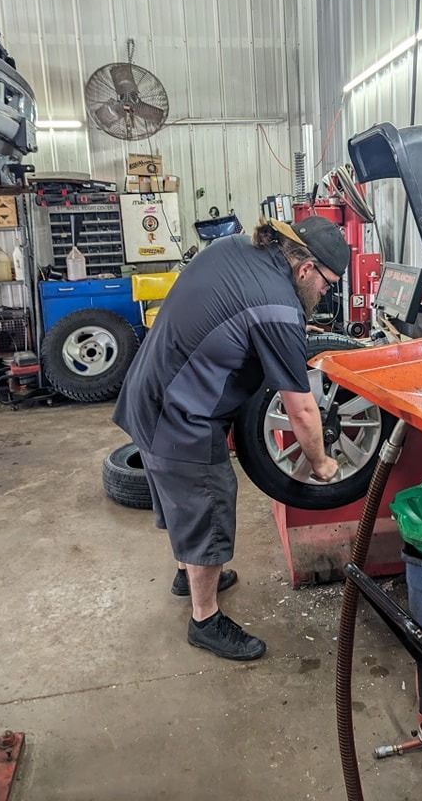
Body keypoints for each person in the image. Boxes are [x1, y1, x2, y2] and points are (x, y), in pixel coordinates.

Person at [113, 216, 350, 661]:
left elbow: (234, 311)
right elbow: (301, 409)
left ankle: (188, 574)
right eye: (327, 284)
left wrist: (287, 332)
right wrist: (322, 463)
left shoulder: (238, 247)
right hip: (182, 415)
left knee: (184, 503)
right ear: (305, 269)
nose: (325, 294)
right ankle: (205, 621)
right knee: (208, 504)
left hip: (150, 387)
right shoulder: (278, 306)